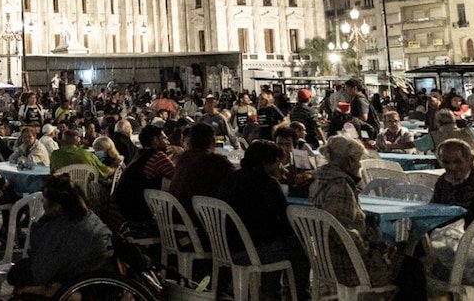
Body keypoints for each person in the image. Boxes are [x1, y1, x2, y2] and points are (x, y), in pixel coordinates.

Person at [310, 136, 424, 299]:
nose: (359, 166)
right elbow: (343, 233)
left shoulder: (319, 182)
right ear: (350, 161)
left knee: (405, 261)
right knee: (413, 267)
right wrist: (374, 251)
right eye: (358, 161)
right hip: (349, 266)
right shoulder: (340, 187)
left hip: (326, 261)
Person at [217, 140, 310, 300]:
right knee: (300, 247)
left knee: (279, 244)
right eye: (278, 163)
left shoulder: (231, 178)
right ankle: (297, 296)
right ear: (266, 162)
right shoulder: (267, 183)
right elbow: (285, 222)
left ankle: (271, 293)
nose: (280, 167)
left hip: (226, 246)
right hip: (249, 250)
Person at [7, 173, 114, 297]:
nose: (42, 201)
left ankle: (46, 291)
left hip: (86, 285)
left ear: (57, 207)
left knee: (17, 276)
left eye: (45, 198)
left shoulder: (65, 230)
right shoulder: (82, 214)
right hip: (92, 273)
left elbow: (41, 271)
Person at [112, 124, 174, 232]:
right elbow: (178, 177)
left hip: (119, 210)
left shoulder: (139, 154)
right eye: (164, 138)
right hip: (136, 214)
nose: (167, 141)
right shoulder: (158, 156)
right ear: (155, 140)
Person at [167, 123, 234, 218]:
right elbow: (236, 179)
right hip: (198, 218)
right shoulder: (216, 161)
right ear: (213, 141)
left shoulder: (184, 159)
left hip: (174, 215)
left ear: (190, 142)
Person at [432, 138, 474, 225]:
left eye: (457, 162)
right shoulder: (442, 181)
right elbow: (433, 209)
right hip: (447, 229)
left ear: (470, 160)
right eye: (446, 162)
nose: (452, 167)